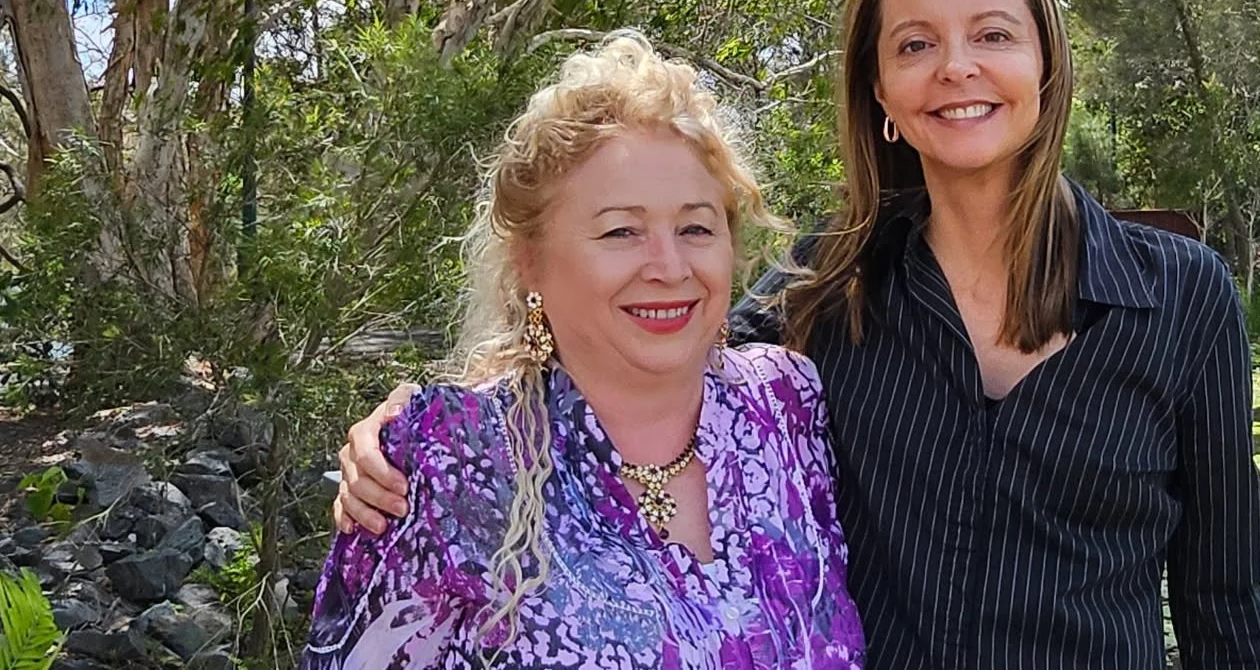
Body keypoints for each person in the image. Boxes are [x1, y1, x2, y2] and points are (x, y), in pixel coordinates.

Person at [336, 0, 1260, 670]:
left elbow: (1221, 603)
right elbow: (647, 340)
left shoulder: (1182, 297)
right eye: (915, 44)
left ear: (1044, 65)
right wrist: (422, 431)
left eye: (992, 35)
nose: (957, 67)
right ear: (880, 90)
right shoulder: (827, 283)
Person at [302, 35, 865, 669]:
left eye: (696, 228)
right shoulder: (450, 461)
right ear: (530, 260)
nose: (669, 266)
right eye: (621, 230)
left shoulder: (785, 404)